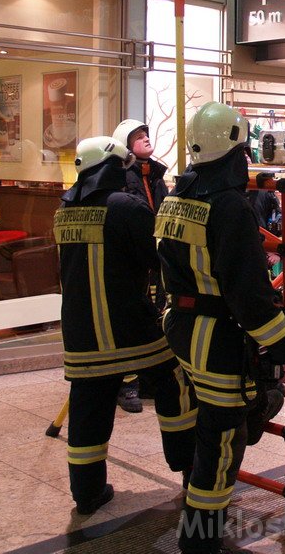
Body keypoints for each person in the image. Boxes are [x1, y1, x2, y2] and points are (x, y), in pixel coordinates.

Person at [156, 102, 285, 554]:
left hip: (178, 328)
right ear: (234, 150)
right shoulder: (230, 209)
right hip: (215, 335)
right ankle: (199, 540)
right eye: (243, 149)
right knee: (223, 441)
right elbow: (250, 295)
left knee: (208, 422)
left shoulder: (176, 196)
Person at [55, 136, 196, 516]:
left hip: (81, 333)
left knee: (89, 408)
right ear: (115, 168)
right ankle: (189, 471)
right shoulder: (126, 207)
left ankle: (87, 494)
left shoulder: (63, 210)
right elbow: (158, 258)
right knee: (175, 386)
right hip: (130, 328)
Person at [111, 118, 170, 413]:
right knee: (131, 320)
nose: (146, 138)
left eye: (147, 133)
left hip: (156, 259)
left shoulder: (156, 177)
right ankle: (127, 384)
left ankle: (147, 381)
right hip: (135, 262)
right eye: (139, 136)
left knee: (156, 317)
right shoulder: (123, 178)